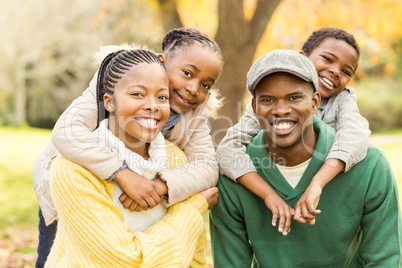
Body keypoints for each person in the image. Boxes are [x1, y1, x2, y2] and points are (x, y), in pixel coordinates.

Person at [32, 28, 223, 267]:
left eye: (206, 85)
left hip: (138, 198)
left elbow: (206, 165)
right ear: (162, 62)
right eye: (187, 73)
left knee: (134, 249)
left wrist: (163, 184)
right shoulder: (118, 77)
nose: (195, 89)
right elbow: (68, 132)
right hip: (78, 188)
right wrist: (123, 173)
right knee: (61, 255)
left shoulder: (195, 115)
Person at [210, 49, 402, 267]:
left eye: (294, 97)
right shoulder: (233, 176)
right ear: (255, 108)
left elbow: (384, 260)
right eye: (268, 100)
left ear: (314, 102)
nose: (281, 109)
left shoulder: (370, 167)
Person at [215, 27, 371, 235]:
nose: (335, 71)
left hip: (329, 195)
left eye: (346, 71)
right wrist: (269, 195)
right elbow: (227, 150)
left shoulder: (342, 99)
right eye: (328, 59)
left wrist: (318, 182)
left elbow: (356, 136)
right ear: (302, 59)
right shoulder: (267, 105)